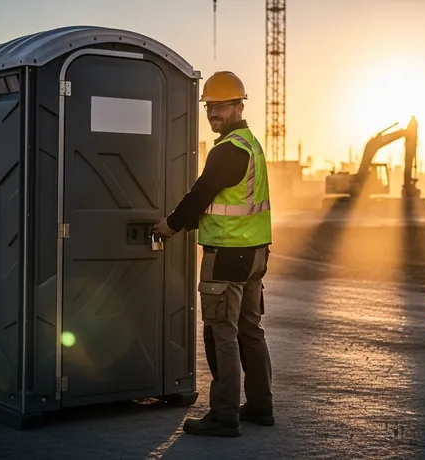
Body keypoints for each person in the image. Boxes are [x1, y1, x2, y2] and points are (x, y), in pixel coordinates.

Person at [152, 71, 274, 438]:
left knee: (221, 333)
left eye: (221, 107)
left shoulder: (227, 151)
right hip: (255, 254)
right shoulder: (251, 144)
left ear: (239, 106)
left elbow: (200, 194)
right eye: (210, 107)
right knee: (250, 331)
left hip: (228, 254)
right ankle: (260, 406)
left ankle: (223, 416)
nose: (214, 114)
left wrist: (171, 225)